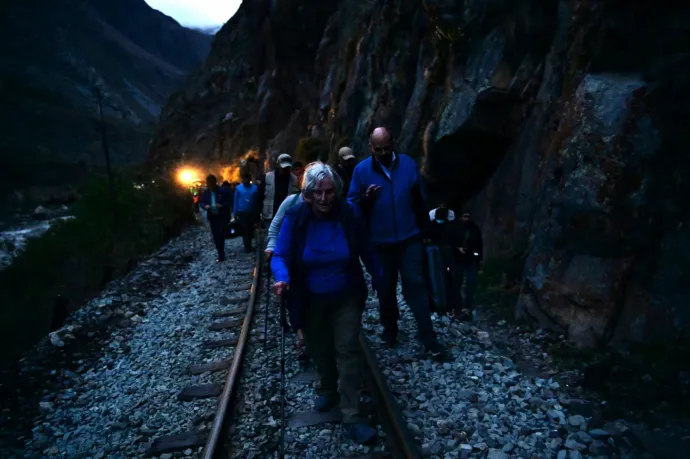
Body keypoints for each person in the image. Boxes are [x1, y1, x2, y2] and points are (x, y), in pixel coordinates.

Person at [271, 162, 382, 444]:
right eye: (317, 193)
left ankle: (351, 414)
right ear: (307, 194)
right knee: (319, 348)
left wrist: (380, 276)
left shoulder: (349, 214)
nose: (324, 198)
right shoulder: (296, 217)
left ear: (337, 192)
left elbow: (366, 249)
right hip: (309, 298)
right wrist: (282, 278)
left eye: (330, 192)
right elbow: (280, 254)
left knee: (346, 349)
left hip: (346, 294)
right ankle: (327, 385)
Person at [347, 127, 449, 361]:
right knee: (385, 288)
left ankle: (428, 336)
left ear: (394, 144)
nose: (383, 153)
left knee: (416, 285)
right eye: (378, 149)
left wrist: (426, 233)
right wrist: (367, 200)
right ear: (371, 147)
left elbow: (419, 200)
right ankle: (390, 329)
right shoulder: (362, 171)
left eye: (386, 148)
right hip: (380, 243)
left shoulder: (408, 165)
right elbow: (351, 206)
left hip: (409, 238)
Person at [265, 189, 307, 361]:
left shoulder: (329, 203)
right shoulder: (291, 202)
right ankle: (302, 337)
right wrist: (271, 245)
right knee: (293, 298)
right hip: (292, 257)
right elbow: (275, 226)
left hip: (313, 260)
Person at [455, 210, 483, 321]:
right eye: (464, 216)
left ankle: (466, 307)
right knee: (457, 281)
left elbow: (479, 244)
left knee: (471, 282)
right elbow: (452, 241)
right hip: (458, 259)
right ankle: (457, 306)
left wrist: (478, 258)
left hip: (471, 259)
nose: (466, 219)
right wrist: (458, 248)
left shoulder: (474, 229)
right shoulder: (456, 228)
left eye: (468, 216)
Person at [257, 153, 299, 225]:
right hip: (269, 217)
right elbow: (259, 198)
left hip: (287, 218)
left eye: (288, 168)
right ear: (278, 165)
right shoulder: (267, 177)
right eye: (284, 168)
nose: (286, 170)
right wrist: (257, 217)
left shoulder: (294, 179)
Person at [199, 174, 231, 262]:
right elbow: (201, 202)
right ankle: (220, 254)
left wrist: (221, 205)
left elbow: (229, 201)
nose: (209, 185)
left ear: (215, 183)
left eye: (210, 183)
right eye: (208, 183)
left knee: (221, 234)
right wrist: (205, 206)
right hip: (212, 217)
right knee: (216, 236)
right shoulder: (206, 192)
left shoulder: (222, 191)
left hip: (222, 216)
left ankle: (222, 251)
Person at [233, 173, 259, 253]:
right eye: (244, 179)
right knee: (244, 229)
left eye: (247, 179)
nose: (246, 181)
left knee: (251, 229)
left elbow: (257, 200)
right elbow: (236, 200)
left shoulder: (255, 188)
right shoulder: (238, 188)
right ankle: (247, 246)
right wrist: (235, 212)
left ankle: (249, 244)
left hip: (252, 212)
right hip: (242, 212)